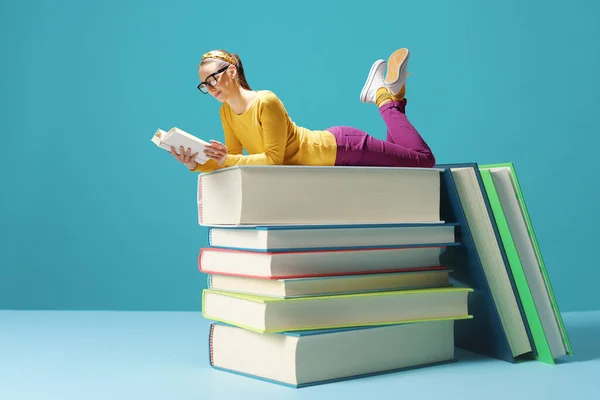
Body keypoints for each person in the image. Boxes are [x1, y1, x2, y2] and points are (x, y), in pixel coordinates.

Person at [170, 48, 436, 172]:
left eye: (212, 78)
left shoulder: (266, 102)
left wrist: (225, 159)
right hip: (331, 151)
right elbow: (233, 161)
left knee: (423, 160)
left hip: (341, 149)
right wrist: (197, 164)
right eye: (204, 84)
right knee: (406, 169)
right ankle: (395, 94)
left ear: (230, 71)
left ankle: (381, 96)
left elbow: (273, 160)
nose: (210, 87)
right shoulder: (226, 112)